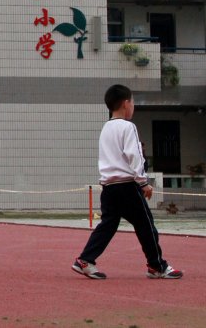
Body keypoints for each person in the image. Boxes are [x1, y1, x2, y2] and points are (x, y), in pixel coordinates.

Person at [72, 84, 183, 280]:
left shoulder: (106, 127)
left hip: (108, 186)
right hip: (127, 186)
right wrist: (144, 182)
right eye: (132, 102)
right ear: (126, 104)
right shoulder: (128, 126)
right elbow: (134, 156)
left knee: (108, 224)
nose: (133, 106)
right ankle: (157, 266)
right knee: (146, 225)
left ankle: (85, 260)